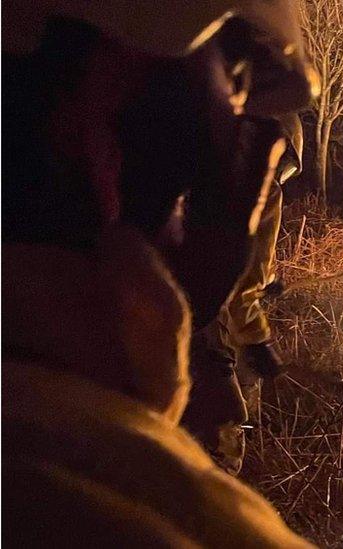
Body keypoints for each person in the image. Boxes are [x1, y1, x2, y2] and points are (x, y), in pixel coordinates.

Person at [2, 1, 318, 545]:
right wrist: (194, 297)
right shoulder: (153, 518)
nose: (252, 149)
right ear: (103, 100)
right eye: (236, 82)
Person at [182, 115, 303, 474]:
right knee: (224, 433)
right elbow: (239, 285)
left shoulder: (195, 160)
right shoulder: (261, 185)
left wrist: (268, 281)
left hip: (151, 302)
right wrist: (258, 340)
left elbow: (240, 262)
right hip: (204, 319)